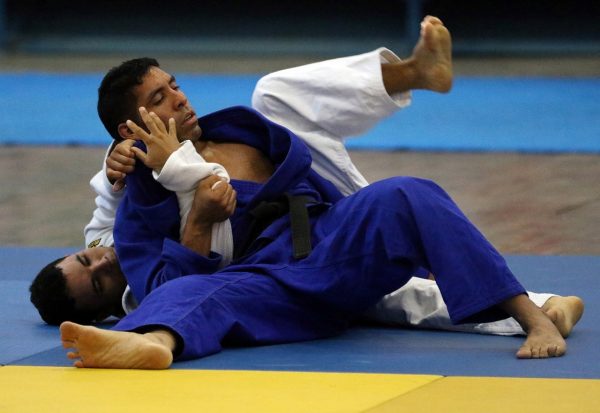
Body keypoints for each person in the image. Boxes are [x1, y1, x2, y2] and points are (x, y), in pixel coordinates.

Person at [35, 17, 581, 369]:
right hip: (271, 280)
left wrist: (396, 237)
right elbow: (165, 285)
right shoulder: (138, 208)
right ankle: (152, 343)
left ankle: (531, 314)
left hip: (327, 231)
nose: (178, 98)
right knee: (199, 295)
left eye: (173, 84)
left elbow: (320, 190)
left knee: (407, 192)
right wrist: (196, 218)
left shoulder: (240, 129)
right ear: (132, 128)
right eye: (160, 98)